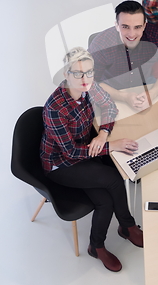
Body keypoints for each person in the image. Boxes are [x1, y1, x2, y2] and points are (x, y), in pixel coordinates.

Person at [40, 47, 143, 272]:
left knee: (104, 201)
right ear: (66, 74)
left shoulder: (89, 86)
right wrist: (111, 145)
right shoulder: (54, 109)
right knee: (114, 178)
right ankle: (127, 226)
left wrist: (104, 133)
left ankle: (97, 246)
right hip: (61, 163)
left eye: (89, 72)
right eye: (77, 73)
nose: (85, 78)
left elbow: (109, 107)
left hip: (86, 149)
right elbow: (70, 153)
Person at [88, 0, 158, 111]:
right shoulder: (100, 45)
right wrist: (124, 97)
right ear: (116, 25)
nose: (132, 34)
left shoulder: (156, 35)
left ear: (144, 26)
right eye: (125, 27)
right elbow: (89, 82)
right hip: (111, 93)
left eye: (137, 27)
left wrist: (153, 93)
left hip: (146, 88)